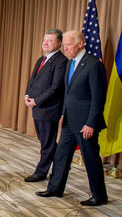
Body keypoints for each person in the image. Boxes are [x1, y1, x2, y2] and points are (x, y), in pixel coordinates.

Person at [36, 30, 108, 206]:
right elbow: (68, 94)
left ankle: (99, 196)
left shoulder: (93, 64)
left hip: (85, 124)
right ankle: (55, 188)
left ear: (80, 44)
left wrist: (91, 123)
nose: (65, 47)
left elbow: (99, 98)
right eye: (65, 44)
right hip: (69, 121)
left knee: (90, 159)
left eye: (68, 44)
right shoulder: (70, 63)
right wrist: (63, 114)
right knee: (61, 156)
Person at [24, 29, 68, 182]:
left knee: (47, 144)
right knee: (46, 142)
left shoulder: (61, 61)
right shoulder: (40, 59)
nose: (45, 43)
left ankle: (41, 172)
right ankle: (62, 166)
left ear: (59, 43)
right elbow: (33, 80)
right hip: (37, 107)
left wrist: (37, 101)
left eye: (50, 40)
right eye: (44, 40)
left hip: (49, 109)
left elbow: (56, 87)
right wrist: (27, 95)